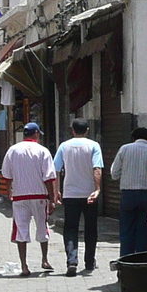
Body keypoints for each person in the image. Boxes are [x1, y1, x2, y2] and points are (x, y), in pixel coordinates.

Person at [1, 122, 58, 276]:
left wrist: (9, 192)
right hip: (39, 196)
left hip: (20, 196)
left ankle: (24, 265)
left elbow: (6, 174)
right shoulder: (43, 151)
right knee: (42, 227)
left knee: (21, 229)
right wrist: (52, 198)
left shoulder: (12, 150)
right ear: (36, 134)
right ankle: (44, 259)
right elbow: (49, 177)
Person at [54, 118, 105, 276]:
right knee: (91, 228)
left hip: (70, 194)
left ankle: (72, 261)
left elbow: (55, 170)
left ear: (72, 130)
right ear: (87, 130)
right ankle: (89, 261)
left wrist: (56, 191)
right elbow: (97, 168)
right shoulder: (94, 146)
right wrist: (97, 190)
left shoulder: (64, 146)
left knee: (70, 228)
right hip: (89, 193)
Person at [109, 126, 147, 257]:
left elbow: (114, 173)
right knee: (145, 231)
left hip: (128, 195)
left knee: (127, 231)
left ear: (133, 138)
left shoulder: (124, 149)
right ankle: (143, 264)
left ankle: (126, 264)